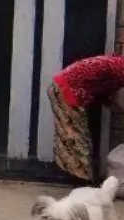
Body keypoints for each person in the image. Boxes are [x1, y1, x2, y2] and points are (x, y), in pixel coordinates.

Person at [48, 54, 124, 183]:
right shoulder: (120, 67)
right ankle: (82, 182)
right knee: (75, 137)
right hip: (66, 89)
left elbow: (103, 90)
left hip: (67, 87)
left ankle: (86, 179)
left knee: (78, 135)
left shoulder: (117, 64)